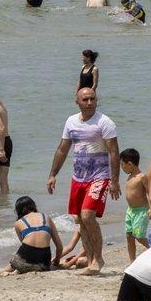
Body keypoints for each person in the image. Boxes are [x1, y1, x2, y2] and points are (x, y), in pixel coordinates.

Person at [47, 88, 119, 275]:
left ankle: (98, 258)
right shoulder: (71, 121)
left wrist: (115, 181)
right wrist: (52, 174)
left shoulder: (104, 122)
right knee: (80, 220)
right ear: (77, 101)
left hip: (100, 176)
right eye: (85, 99)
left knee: (88, 216)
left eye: (92, 99)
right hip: (78, 178)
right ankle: (90, 261)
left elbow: (114, 152)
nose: (89, 102)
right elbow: (63, 149)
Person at [0, 196, 64, 279]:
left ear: (18, 210)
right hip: (44, 260)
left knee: (11, 266)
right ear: (33, 206)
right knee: (34, 266)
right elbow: (59, 246)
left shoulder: (19, 223)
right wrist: (56, 260)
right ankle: (15, 271)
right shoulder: (46, 217)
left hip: (27, 253)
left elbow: (25, 249)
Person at [120, 149, 150, 262]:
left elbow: (150, 193)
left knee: (139, 236)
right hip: (130, 211)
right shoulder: (130, 176)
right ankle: (132, 261)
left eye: (122, 165)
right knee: (129, 236)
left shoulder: (142, 177)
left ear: (130, 164)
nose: (121, 168)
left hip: (141, 211)